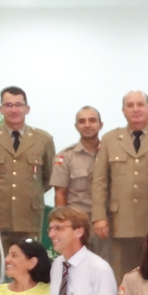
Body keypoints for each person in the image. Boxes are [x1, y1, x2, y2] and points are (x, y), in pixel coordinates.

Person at [0, 85, 56, 252]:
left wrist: (29, 192)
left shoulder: (43, 139)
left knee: (29, 262)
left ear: (27, 108)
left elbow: (49, 177)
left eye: (18, 105)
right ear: (0, 109)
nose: (13, 110)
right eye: (8, 105)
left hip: (29, 216)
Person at [91, 90, 148, 275]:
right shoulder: (110, 139)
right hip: (121, 221)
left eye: (140, 104)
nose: (135, 109)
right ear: (123, 110)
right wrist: (99, 217)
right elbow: (100, 181)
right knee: (122, 275)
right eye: (130, 105)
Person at [50, 106, 111, 260]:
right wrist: (63, 226)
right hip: (77, 224)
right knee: (75, 265)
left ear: (101, 125)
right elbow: (60, 194)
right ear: (76, 126)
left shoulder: (112, 153)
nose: (87, 125)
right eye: (82, 121)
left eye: (92, 120)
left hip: (105, 223)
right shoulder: (66, 156)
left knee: (107, 267)